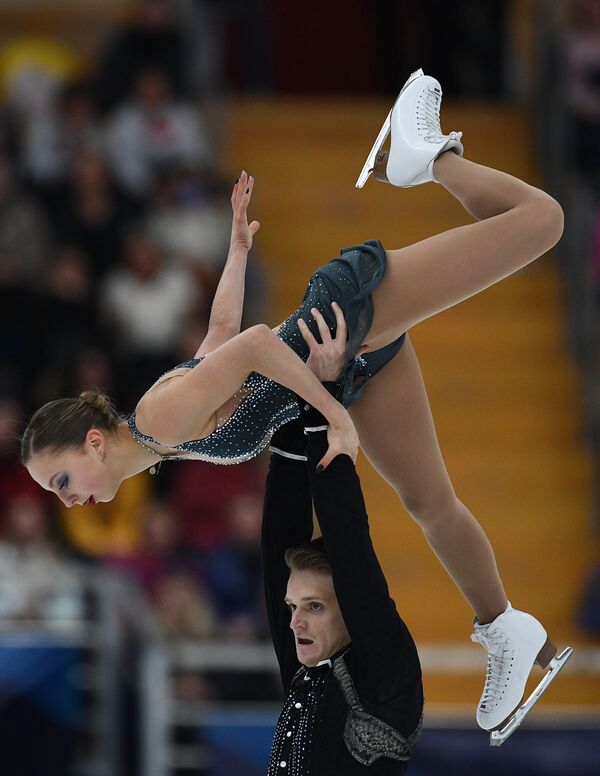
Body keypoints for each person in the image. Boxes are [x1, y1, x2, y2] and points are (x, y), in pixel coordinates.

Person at [22, 69, 567, 732]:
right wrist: (237, 249)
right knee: (431, 505)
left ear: (93, 443)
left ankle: (430, 156)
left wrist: (333, 410)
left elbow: (254, 343)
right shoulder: (159, 429)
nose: (65, 498)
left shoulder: (159, 418)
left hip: (340, 317)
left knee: (542, 221)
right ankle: (503, 628)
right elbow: (218, 339)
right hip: (344, 358)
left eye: (60, 479)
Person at [262, 396, 423, 773]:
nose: (293, 623)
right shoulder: (310, 668)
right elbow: (277, 547)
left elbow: (350, 541)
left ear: (351, 609)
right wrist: (291, 397)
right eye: (293, 607)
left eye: (314, 606)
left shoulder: (383, 676)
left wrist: (322, 410)